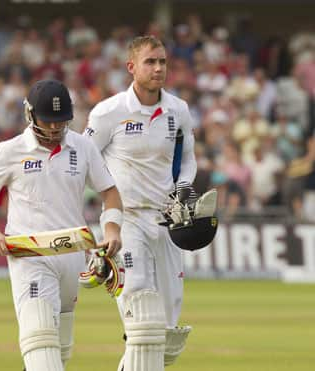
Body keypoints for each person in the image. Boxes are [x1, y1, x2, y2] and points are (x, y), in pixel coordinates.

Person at [0, 79, 123, 371]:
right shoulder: (11, 150)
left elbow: (110, 191)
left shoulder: (83, 146)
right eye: (47, 121)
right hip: (30, 254)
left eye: (60, 121)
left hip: (72, 252)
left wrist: (112, 228)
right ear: (30, 114)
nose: (54, 128)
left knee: (60, 350)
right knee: (40, 344)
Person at [84, 35, 197, 371]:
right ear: (131, 67)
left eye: (162, 61)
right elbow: (86, 160)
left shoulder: (179, 109)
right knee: (142, 316)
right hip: (126, 220)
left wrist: (184, 189)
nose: (158, 68)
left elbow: (188, 158)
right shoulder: (109, 112)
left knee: (166, 329)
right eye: (150, 62)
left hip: (166, 221)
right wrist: (107, 211)